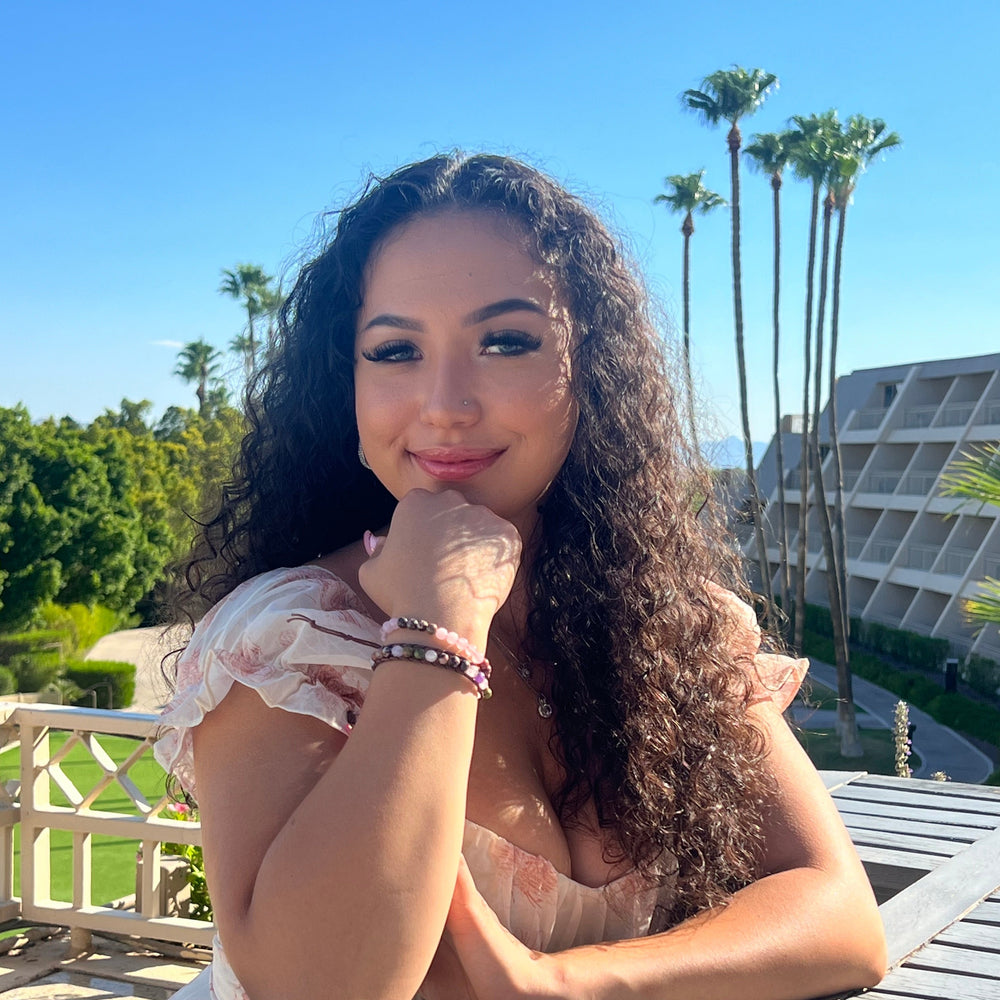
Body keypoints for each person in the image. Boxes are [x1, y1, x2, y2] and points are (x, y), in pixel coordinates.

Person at [155, 153, 886, 1000]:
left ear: (591, 373)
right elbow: (317, 987)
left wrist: (571, 983)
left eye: (505, 341)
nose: (446, 403)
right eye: (395, 350)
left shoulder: (671, 628)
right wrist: (437, 627)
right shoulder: (289, 640)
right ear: (343, 387)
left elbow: (841, 919)